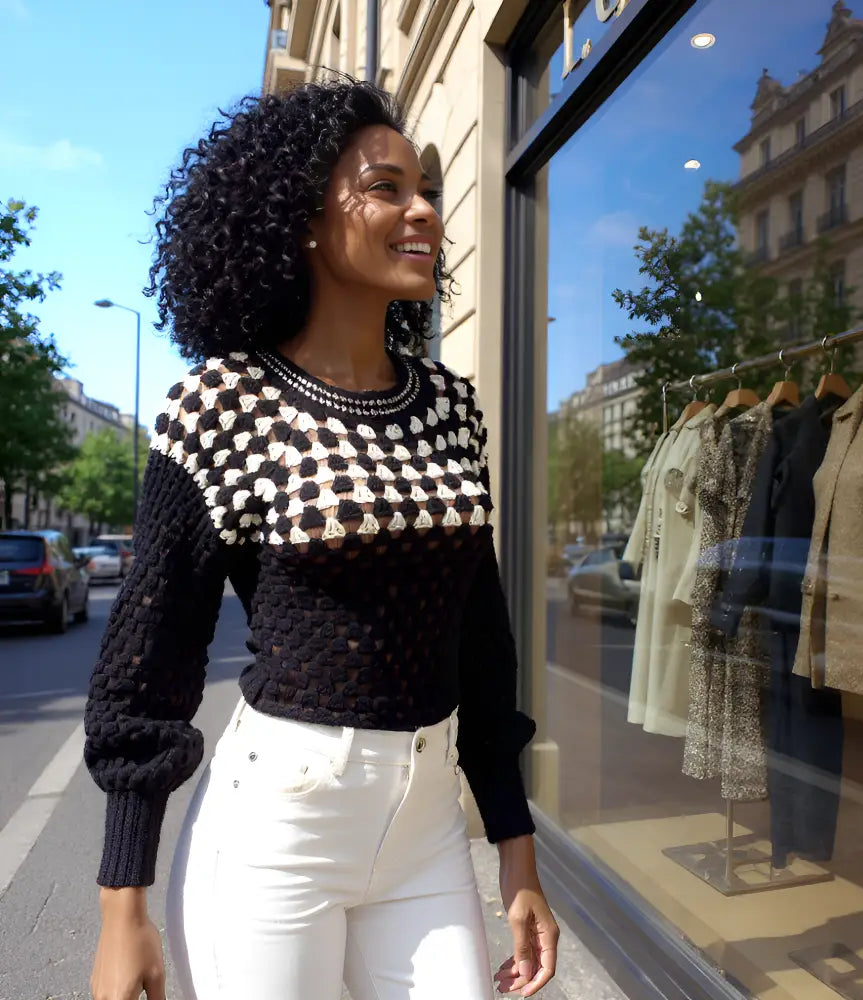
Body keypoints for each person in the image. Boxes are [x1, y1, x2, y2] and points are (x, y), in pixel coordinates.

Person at [83, 76, 558, 1000]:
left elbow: (482, 643)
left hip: (427, 831)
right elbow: (151, 658)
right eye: (387, 188)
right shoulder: (223, 405)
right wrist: (120, 907)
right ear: (301, 219)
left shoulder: (450, 406)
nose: (424, 211)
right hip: (277, 836)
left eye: (427, 190)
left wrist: (518, 852)